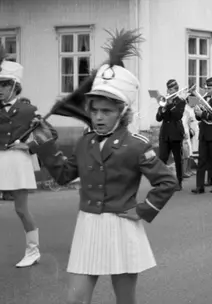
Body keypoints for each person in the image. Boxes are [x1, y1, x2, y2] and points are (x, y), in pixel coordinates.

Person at [29, 30, 178, 304]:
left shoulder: (136, 145)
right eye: (94, 110)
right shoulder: (85, 143)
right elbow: (63, 175)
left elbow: (167, 182)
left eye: (106, 111)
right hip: (88, 227)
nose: (98, 117)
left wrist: (143, 210)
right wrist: (46, 145)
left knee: (125, 301)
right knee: (76, 300)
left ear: (122, 112)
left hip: (121, 229)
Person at [0, 50, 49, 268]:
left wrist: (27, 145)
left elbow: (48, 135)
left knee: (21, 209)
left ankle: (33, 250)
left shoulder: (29, 110)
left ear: (15, 86)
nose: (0, 90)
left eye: (4, 85)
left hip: (18, 162)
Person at [155, 79, 186, 190]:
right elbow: (158, 118)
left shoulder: (181, 101)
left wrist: (170, 105)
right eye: (168, 88)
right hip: (165, 134)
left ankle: (179, 181)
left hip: (176, 133)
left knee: (178, 159)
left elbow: (178, 115)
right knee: (162, 158)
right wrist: (162, 110)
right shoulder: (164, 100)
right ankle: (161, 182)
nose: (169, 90)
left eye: (171, 89)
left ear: (176, 90)